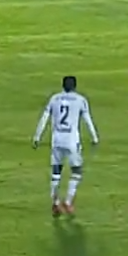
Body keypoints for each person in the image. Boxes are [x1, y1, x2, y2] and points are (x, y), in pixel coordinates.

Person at [33, 75, 100, 217]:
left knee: (56, 173)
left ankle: (56, 203)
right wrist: (94, 137)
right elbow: (88, 119)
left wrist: (37, 137)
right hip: (71, 141)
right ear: (75, 86)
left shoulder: (54, 99)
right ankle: (68, 201)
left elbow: (44, 118)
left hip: (56, 140)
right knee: (76, 171)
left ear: (63, 85)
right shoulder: (80, 100)